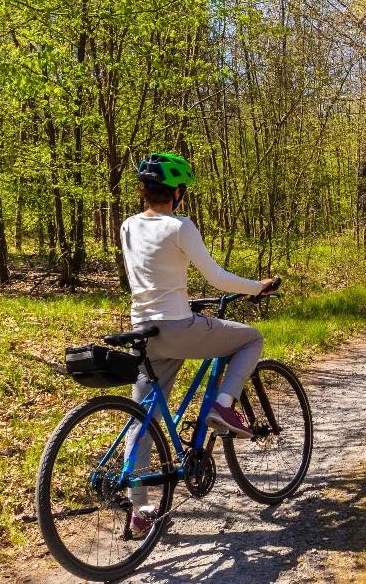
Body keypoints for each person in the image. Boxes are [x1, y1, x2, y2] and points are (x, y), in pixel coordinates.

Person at [120, 152, 275, 536]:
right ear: (176, 193)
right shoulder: (180, 225)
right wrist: (257, 287)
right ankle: (223, 407)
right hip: (177, 327)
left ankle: (139, 508)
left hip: (143, 330)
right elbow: (217, 277)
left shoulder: (127, 226)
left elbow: (150, 279)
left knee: (142, 418)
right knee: (251, 338)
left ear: (144, 191)